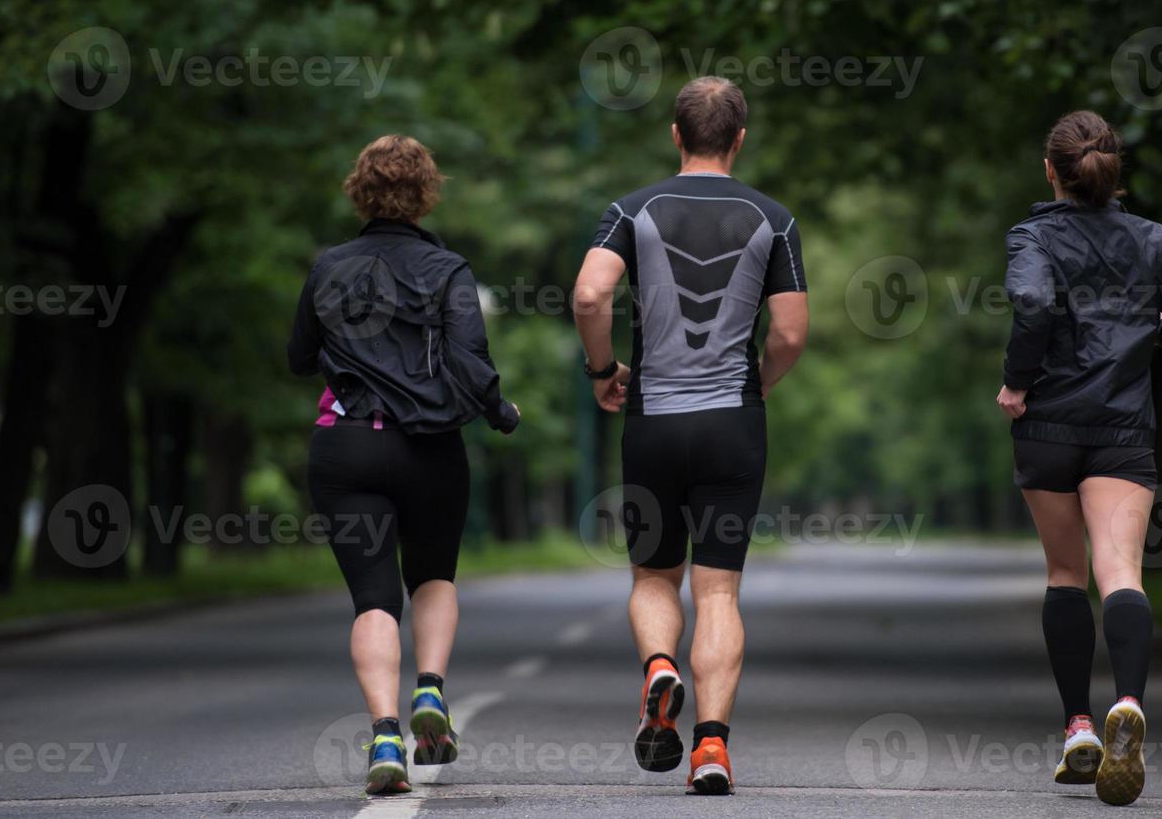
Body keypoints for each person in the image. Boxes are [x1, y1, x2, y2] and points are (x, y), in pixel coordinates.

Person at [572, 77, 809, 795]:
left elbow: (588, 294)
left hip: (652, 420)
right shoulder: (774, 219)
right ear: (738, 139)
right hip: (732, 426)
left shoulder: (630, 209)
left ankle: (659, 668)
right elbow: (791, 333)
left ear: (675, 135)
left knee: (651, 576)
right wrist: (755, 386)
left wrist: (602, 369)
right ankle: (710, 749)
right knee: (718, 595)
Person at [288, 134, 520, 796]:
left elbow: (299, 357)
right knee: (433, 576)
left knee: (372, 600)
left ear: (359, 191)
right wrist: (501, 413)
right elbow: (470, 364)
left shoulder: (328, 267)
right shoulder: (448, 270)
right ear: (425, 194)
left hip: (346, 446)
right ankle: (431, 691)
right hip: (429, 449)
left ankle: (384, 733)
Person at [996, 111, 1162, 806]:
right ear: (1111, 173)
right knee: (1121, 571)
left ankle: (1079, 728)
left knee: (1065, 573)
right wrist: (1156, 342)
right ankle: (1129, 703)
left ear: (1049, 171)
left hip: (1048, 424)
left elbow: (1030, 301)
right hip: (1122, 425)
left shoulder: (1032, 236)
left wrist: (1017, 380)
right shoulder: (1157, 241)